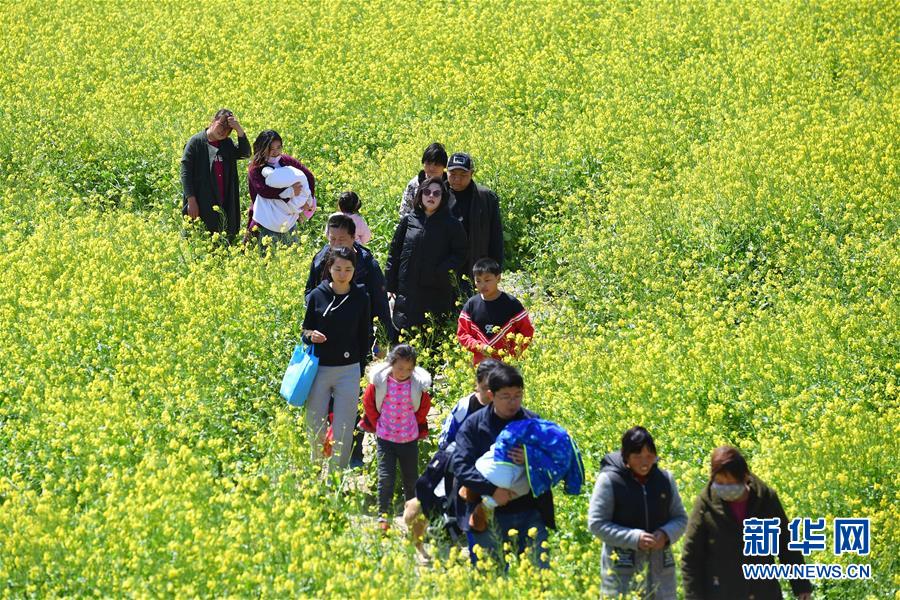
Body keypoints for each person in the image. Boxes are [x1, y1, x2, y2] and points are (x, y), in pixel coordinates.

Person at [449, 363, 555, 569]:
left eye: (518, 395)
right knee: (491, 578)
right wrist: (492, 490)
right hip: (487, 515)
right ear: (491, 395)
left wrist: (530, 458)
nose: (513, 402)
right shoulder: (474, 425)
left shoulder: (534, 422)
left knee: (539, 578)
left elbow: (555, 461)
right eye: (506, 396)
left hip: (530, 512)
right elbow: (461, 466)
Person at [681, 446, 813, 600]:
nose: (724, 489)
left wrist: (802, 586)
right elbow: (691, 558)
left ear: (744, 477)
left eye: (730, 483)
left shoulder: (765, 499)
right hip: (722, 592)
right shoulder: (705, 505)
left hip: (764, 592)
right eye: (719, 483)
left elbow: (787, 545)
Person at [587, 426, 688, 600]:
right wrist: (634, 538)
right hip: (622, 575)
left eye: (650, 456)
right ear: (626, 457)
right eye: (638, 456)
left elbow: (680, 518)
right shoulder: (610, 481)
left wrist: (665, 534)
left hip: (661, 576)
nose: (645, 462)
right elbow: (596, 523)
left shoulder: (665, 480)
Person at [302, 246, 371, 469]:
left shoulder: (361, 297)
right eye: (338, 268)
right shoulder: (317, 295)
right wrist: (312, 335)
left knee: (344, 425)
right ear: (329, 268)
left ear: (354, 271)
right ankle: (316, 469)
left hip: (349, 370)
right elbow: (305, 331)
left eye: (348, 269)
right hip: (319, 369)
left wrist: (360, 369)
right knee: (315, 423)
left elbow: (365, 335)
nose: (343, 274)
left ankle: (336, 476)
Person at [358, 344, 432, 532]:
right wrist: (378, 423)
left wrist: (415, 423)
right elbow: (368, 403)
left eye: (409, 369)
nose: (403, 373)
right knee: (386, 478)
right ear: (391, 364)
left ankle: (413, 517)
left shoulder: (417, 385)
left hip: (409, 438)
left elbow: (424, 407)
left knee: (411, 480)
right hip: (385, 438)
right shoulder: (381, 382)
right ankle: (383, 516)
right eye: (400, 368)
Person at [385, 177, 467, 333]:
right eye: (427, 192)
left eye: (437, 193)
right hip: (406, 288)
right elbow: (394, 253)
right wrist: (389, 285)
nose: (431, 196)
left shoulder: (452, 224)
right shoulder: (408, 221)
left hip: (436, 288)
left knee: (431, 337)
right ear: (420, 195)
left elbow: (461, 253)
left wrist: (441, 271)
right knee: (404, 335)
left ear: (443, 198)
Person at [306, 214, 396, 345]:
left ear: (353, 238)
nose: (336, 245)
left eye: (341, 240)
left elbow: (381, 306)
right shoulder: (320, 261)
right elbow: (310, 290)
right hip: (325, 336)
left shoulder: (368, 265)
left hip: (358, 337)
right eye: (332, 239)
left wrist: (381, 342)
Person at [179, 108, 250, 239]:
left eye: (229, 129)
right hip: (201, 200)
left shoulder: (226, 143)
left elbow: (245, 153)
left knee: (223, 236)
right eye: (221, 125)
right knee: (201, 236)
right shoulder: (196, 142)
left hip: (223, 199)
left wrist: (239, 130)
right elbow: (185, 173)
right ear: (213, 121)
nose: (223, 131)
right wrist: (191, 200)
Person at [457, 257, 534, 365]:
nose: (483, 285)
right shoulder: (471, 305)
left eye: (487, 280)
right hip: (481, 366)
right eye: (478, 281)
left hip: (508, 365)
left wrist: (513, 354)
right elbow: (463, 334)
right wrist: (479, 346)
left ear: (498, 278)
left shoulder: (512, 304)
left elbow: (527, 332)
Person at [246, 130, 316, 245]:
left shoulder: (286, 160)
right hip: (266, 219)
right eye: (271, 149)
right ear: (261, 148)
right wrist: (290, 192)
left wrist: (308, 200)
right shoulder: (256, 167)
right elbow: (263, 191)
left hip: (288, 219)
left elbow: (308, 176)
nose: (275, 152)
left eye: (278, 147)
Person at [446, 152, 503, 287]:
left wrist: (496, 268)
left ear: (472, 173)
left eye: (463, 175)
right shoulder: (438, 194)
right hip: (446, 265)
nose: (457, 180)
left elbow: (496, 236)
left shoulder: (486, 197)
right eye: (453, 174)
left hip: (476, 264)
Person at [400, 142, 449, 217]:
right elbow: (405, 212)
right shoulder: (414, 184)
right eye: (428, 163)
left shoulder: (450, 185)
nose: (432, 168)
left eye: (437, 164)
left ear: (444, 166)